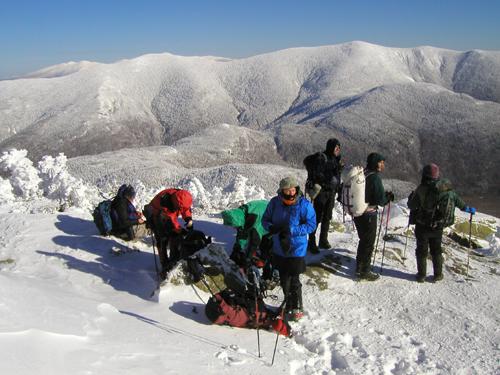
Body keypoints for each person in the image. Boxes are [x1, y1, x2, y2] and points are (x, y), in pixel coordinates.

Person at [408, 163, 476, 282]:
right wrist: (469, 209)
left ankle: (421, 275)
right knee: (436, 250)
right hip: (438, 226)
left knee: (421, 250)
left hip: (423, 225)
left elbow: (411, 205)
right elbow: (461, 205)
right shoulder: (448, 190)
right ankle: (438, 275)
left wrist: (411, 197)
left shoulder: (422, 188)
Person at [262, 176, 316, 321]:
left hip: (296, 247)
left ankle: (297, 307)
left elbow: (311, 226)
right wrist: (271, 227)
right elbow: (265, 220)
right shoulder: (275, 203)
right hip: (279, 247)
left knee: (294, 278)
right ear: (281, 191)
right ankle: (288, 303)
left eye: (293, 190)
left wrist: (291, 230)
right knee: (284, 277)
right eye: (287, 190)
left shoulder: (304, 205)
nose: (291, 193)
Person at [354, 153, 393, 281]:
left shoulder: (362, 173)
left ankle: (359, 266)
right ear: (375, 163)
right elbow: (380, 200)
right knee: (368, 242)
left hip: (358, 212)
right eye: (381, 162)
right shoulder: (375, 178)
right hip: (369, 214)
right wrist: (388, 197)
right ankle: (365, 271)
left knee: (363, 239)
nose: (383, 164)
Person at [304, 138, 343, 253]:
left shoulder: (336, 160)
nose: (338, 149)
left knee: (327, 216)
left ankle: (323, 240)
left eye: (339, 147)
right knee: (316, 218)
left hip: (331, 192)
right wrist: (329, 178)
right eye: (336, 147)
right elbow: (318, 174)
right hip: (322, 192)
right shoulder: (322, 158)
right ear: (330, 147)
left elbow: (335, 176)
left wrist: (338, 173)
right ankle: (311, 242)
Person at [148, 188, 194, 279]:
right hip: (156, 215)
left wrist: (188, 219)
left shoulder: (181, 196)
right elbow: (171, 221)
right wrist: (180, 230)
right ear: (176, 203)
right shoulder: (165, 201)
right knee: (162, 238)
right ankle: (164, 263)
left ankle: (174, 259)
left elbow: (185, 208)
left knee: (175, 235)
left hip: (167, 216)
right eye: (179, 207)